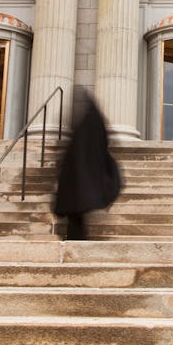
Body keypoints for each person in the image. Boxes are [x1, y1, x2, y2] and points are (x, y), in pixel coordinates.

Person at [53, 89, 121, 240]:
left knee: (75, 217)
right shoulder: (91, 124)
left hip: (78, 181)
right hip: (81, 182)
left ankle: (75, 241)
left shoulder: (85, 128)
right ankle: (75, 240)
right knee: (76, 217)